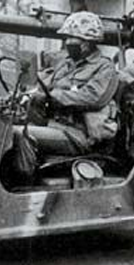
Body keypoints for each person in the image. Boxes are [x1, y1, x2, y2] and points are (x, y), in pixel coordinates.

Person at [10, 11, 119, 182]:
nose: (67, 43)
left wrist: (53, 96)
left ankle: (23, 184)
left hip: (78, 134)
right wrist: (28, 95)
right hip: (54, 126)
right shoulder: (66, 65)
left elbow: (93, 97)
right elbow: (44, 86)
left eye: (72, 38)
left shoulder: (105, 68)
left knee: (18, 134)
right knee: (1, 127)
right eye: (66, 38)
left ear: (87, 42)